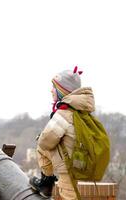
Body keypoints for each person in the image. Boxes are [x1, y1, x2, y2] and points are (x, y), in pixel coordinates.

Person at [29, 66, 95, 200]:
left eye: (54, 87)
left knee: (41, 146)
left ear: (61, 92)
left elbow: (46, 141)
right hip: (81, 159)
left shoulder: (64, 113)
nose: (51, 90)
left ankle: (46, 183)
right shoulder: (81, 111)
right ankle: (47, 184)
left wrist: (41, 137)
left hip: (69, 164)